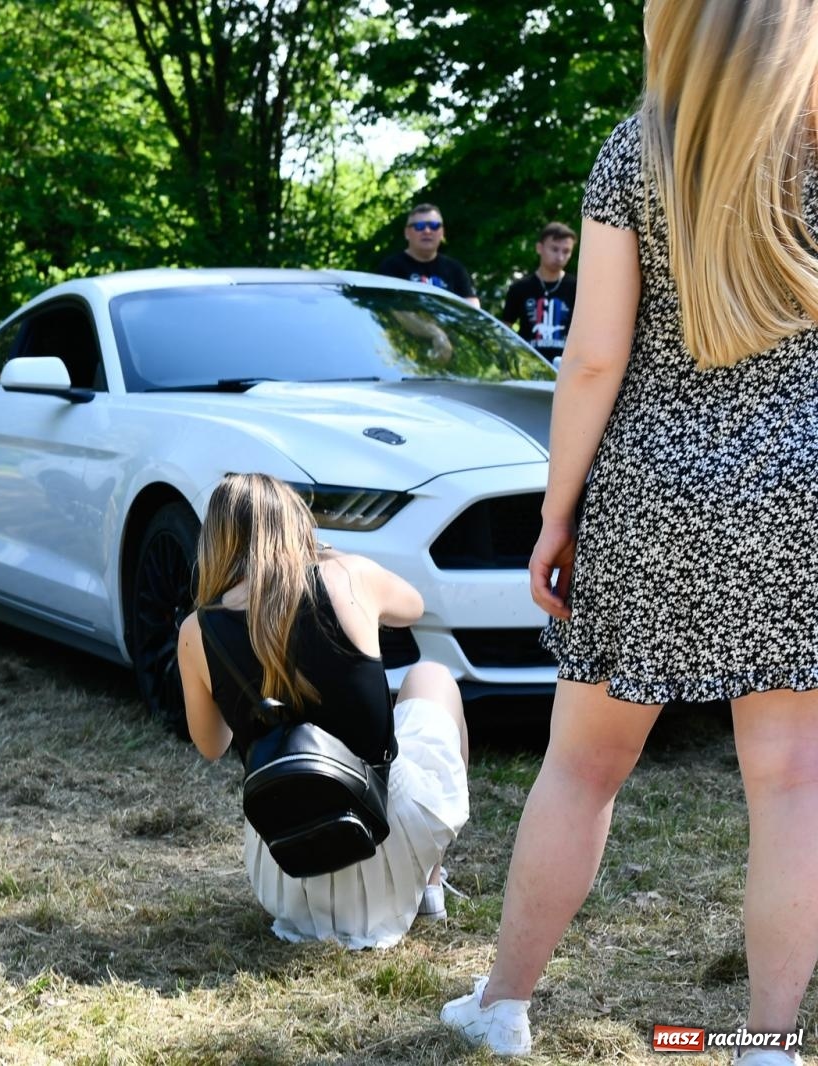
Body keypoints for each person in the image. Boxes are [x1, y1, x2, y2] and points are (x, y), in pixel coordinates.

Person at [440, 1, 818, 1061]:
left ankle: (503, 1006)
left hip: (650, 495)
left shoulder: (636, 151)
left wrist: (555, 512)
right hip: (801, 496)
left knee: (582, 763)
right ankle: (765, 1041)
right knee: (791, 775)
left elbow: (594, 358)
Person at [177, 472, 470, 950]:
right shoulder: (348, 576)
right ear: (297, 527)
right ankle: (430, 884)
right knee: (432, 677)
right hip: (385, 843)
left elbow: (213, 745)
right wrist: (328, 556)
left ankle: (399, 890)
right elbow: (413, 607)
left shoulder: (197, 631)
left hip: (287, 871)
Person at [500, 222, 578, 363]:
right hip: (528, 366)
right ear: (539, 248)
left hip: (566, 368)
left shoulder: (578, 288)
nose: (560, 257)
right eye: (554, 249)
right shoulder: (520, 287)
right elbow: (504, 330)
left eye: (566, 251)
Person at [376, 204, 481, 308]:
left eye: (434, 225)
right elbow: (390, 309)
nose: (427, 231)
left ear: (442, 232)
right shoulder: (390, 268)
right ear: (407, 233)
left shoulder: (455, 269)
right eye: (419, 226)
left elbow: (472, 306)